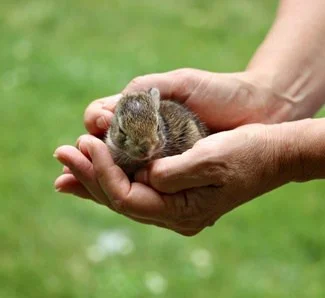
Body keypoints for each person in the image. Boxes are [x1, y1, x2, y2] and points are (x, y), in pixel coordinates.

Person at [54, 0, 325, 236]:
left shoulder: (171, 132)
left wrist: (290, 154)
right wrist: (273, 98)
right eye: (126, 136)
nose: (147, 148)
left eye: (155, 133)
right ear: (113, 128)